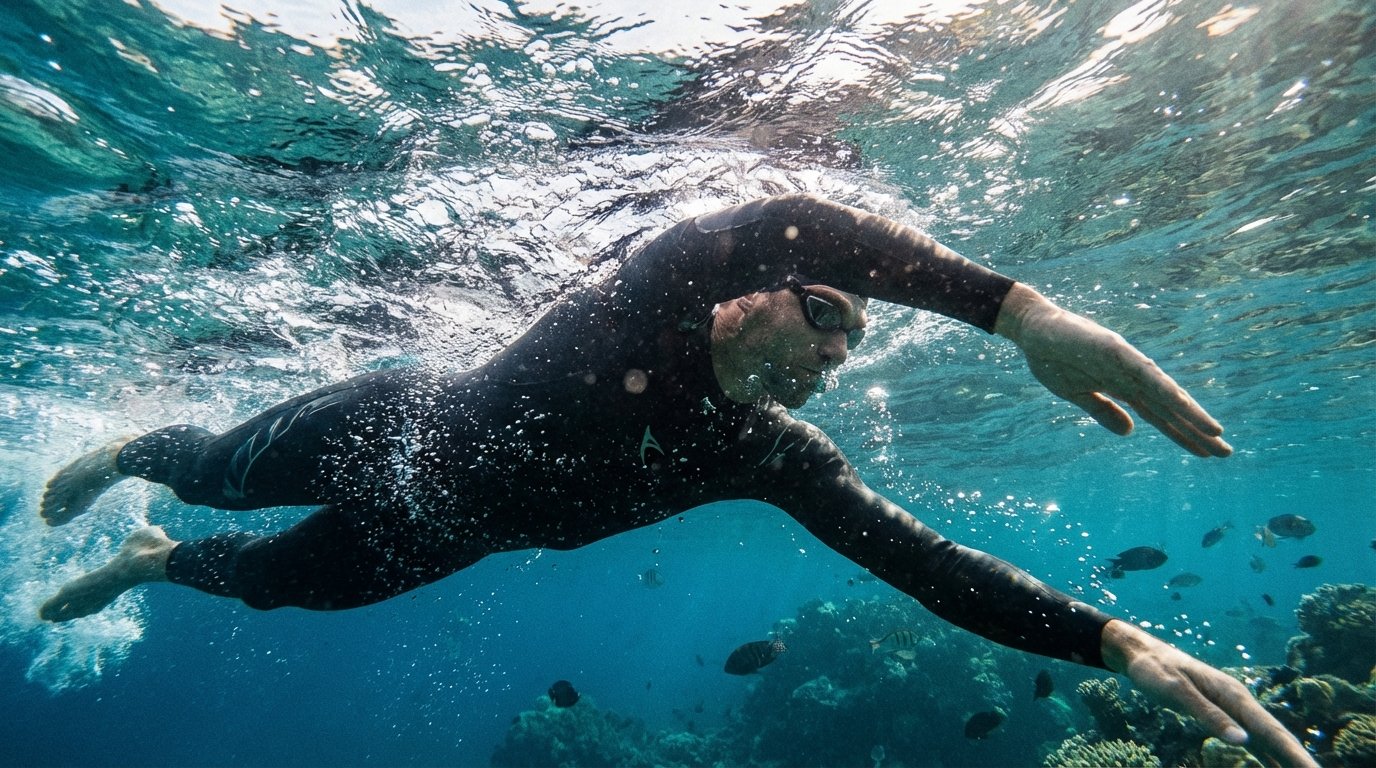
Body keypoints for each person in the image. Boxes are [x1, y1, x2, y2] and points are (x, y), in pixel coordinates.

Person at [39, 194, 1312, 766]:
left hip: (448, 534)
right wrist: (1013, 311)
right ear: (754, 294)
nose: (830, 353)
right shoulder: (635, 306)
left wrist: (1107, 639)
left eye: (852, 344)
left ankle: (152, 563)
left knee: (271, 590)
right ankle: (123, 459)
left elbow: (918, 564)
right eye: (824, 317)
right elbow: (773, 215)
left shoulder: (766, 454)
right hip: (384, 432)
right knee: (211, 473)